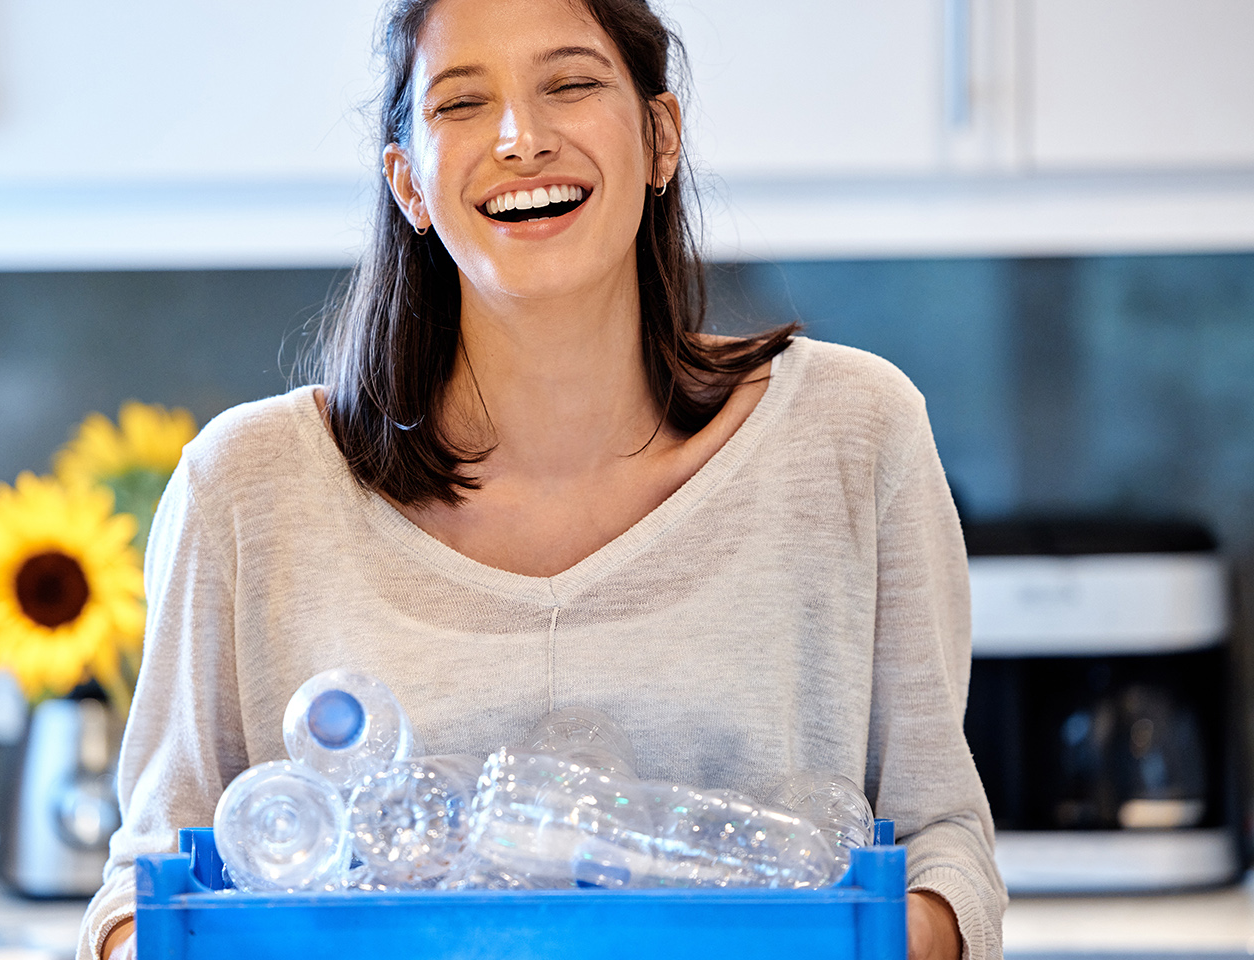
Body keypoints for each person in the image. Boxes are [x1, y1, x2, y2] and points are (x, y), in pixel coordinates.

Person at [79, 0, 1006, 957]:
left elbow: (946, 850)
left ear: (660, 136)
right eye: (461, 103)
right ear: (406, 181)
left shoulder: (852, 434)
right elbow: (138, 897)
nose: (522, 139)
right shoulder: (247, 488)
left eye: (570, 84)